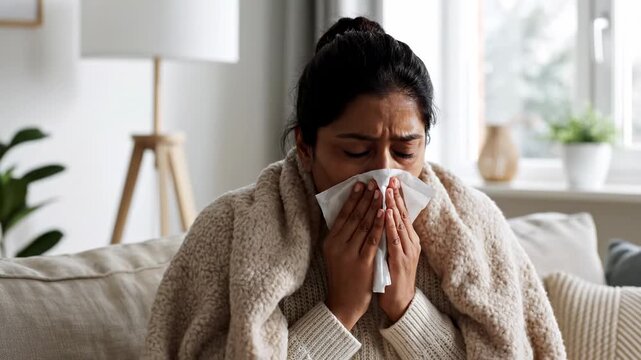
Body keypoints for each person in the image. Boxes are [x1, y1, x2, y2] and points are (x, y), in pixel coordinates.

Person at [142, 17, 566, 359]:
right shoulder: (230, 228)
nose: (384, 175)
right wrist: (339, 311)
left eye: (404, 151)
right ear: (306, 146)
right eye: (357, 151)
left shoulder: (474, 226)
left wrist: (405, 308)